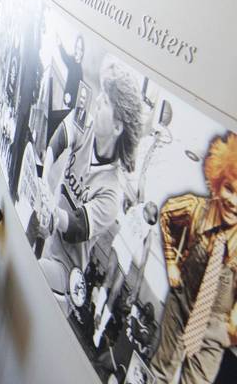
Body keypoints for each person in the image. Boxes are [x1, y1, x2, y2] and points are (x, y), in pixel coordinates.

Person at [35, 60, 142, 299]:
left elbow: (75, 227)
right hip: (49, 241)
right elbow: (58, 141)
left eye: (105, 102)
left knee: (30, 274)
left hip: (66, 273)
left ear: (117, 127)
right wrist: (43, 179)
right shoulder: (87, 124)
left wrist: (52, 213)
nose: (99, 101)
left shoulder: (112, 194)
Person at [150, 133, 237, 384]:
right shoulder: (197, 208)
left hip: (215, 328)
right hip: (181, 303)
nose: (233, 201)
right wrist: (170, 263)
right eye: (229, 188)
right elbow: (166, 214)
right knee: (160, 372)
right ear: (216, 181)